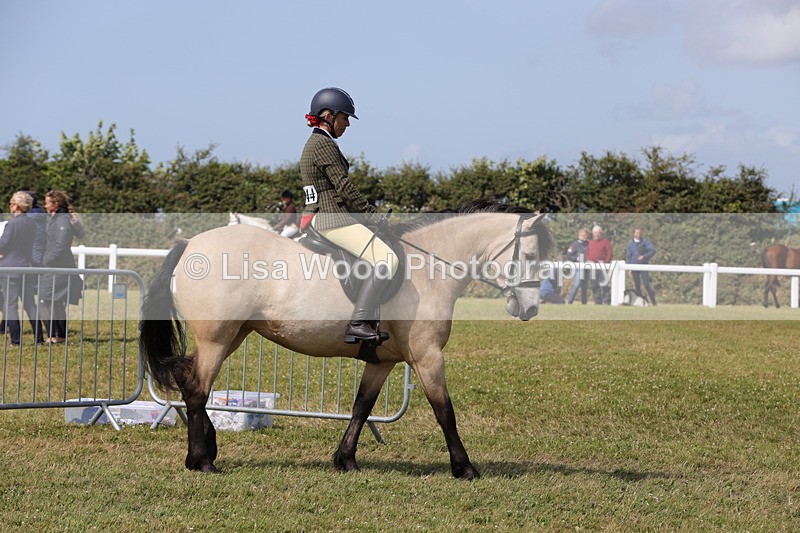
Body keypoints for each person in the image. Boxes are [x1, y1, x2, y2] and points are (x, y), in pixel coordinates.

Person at [300, 87, 397, 344]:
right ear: (328, 116)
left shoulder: (318, 143)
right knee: (388, 259)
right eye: (344, 118)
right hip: (332, 219)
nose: (347, 125)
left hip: (325, 216)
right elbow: (344, 186)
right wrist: (372, 216)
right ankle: (358, 321)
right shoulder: (322, 144)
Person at [37, 191, 84, 343]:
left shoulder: (62, 221)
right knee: (56, 303)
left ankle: (54, 335)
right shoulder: (59, 219)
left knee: (45, 301)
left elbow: (60, 246)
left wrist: (45, 261)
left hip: (55, 268)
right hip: (55, 267)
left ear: (55, 204)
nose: (45, 205)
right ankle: (59, 336)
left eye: (47, 202)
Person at [0, 191, 45, 346]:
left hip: (10, 268)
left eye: (11, 203)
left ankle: (16, 340)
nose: (10, 206)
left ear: (17, 206)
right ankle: (39, 339)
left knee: (10, 305)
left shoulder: (12, 224)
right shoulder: (32, 223)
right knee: (30, 305)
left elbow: (3, 245)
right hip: (26, 267)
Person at [625, 228, 657, 306]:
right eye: (636, 233)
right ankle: (640, 302)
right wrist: (629, 268)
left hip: (643, 265)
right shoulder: (631, 244)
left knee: (646, 284)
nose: (638, 234)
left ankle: (654, 302)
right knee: (637, 285)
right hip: (634, 266)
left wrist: (644, 256)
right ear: (634, 234)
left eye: (639, 233)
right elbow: (628, 256)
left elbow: (653, 250)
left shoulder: (644, 242)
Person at [586, 225, 612, 305]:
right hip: (593, 267)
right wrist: (589, 261)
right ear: (593, 233)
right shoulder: (591, 242)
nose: (597, 234)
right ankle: (597, 302)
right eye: (595, 232)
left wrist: (605, 263)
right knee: (594, 285)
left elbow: (609, 253)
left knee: (604, 284)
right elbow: (588, 253)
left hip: (602, 266)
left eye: (598, 232)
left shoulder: (605, 241)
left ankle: (607, 301)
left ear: (601, 233)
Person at [565, 228, 589, 304]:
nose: (584, 236)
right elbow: (569, 254)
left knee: (585, 285)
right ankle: (570, 301)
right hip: (578, 267)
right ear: (579, 235)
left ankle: (584, 302)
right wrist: (576, 258)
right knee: (576, 284)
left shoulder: (588, 243)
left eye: (585, 235)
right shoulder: (574, 244)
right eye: (583, 235)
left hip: (587, 267)